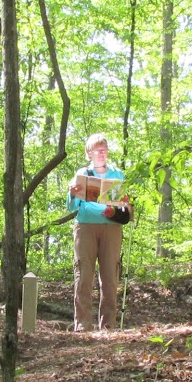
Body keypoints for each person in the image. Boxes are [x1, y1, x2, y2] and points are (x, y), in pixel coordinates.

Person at [67, 133, 130, 332]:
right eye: (97, 150)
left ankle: (108, 326)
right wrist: (71, 193)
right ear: (89, 153)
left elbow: (125, 203)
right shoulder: (82, 174)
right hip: (86, 227)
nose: (102, 154)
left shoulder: (117, 174)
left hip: (111, 227)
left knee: (110, 276)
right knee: (84, 274)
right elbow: (72, 206)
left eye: (104, 149)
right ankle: (83, 326)